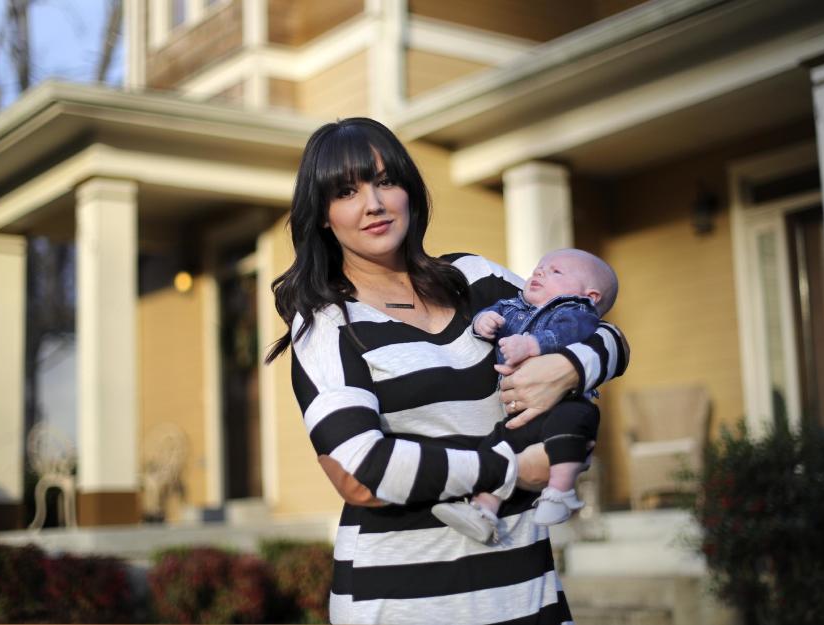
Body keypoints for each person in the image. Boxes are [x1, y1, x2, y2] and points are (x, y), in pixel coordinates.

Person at [265, 117, 629, 625]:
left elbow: (594, 325)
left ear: (409, 191)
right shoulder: (328, 325)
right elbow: (360, 472)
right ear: (323, 215)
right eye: (347, 191)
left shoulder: (476, 279)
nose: (373, 203)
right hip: (401, 600)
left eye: (385, 181)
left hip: (526, 589)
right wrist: (514, 470)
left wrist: (566, 369)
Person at [431, 248, 619, 543]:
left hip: (564, 403)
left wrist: (532, 344)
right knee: (497, 444)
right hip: (518, 414)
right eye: (539, 268)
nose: (540, 272)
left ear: (591, 296)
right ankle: (484, 510)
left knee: (571, 426)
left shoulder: (576, 311)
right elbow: (489, 314)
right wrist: (483, 323)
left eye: (555, 272)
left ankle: (560, 491)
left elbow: (572, 333)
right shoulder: (512, 304)